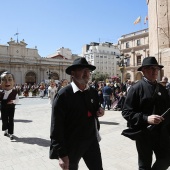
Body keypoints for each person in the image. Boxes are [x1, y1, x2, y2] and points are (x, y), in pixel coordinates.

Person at [49, 57, 104, 170]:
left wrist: (99, 111)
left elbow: (95, 108)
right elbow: (56, 127)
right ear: (73, 73)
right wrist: (62, 154)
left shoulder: (92, 92)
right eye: (82, 70)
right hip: (71, 144)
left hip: (91, 141)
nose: (86, 73)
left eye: (88, 71)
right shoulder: (63, 95)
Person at [121, 57, 170, 170]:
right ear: (143, 71)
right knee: (144, 165)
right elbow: (126, 112)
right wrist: (146, 118)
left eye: (156, 69)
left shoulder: (162, 89)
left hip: (162, 134)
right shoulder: (136, 88)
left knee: (166, 158)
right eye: (150, 68)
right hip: (144, 133)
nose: (154, 71)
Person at [0, 71, 19, 140]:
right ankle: (5, 130)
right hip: (3, 107)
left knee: (11, 120)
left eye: (10, 79)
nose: (7, 82)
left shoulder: (14, 92)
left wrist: (13, 101)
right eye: (4, 80)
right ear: (1, 82)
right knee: (4, 119)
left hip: (11, 107)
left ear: (13, 81)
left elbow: (17, 100)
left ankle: (11, 133)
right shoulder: (1, 92)